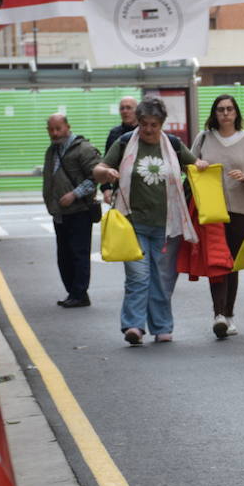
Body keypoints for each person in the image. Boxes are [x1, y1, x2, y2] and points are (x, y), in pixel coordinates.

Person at [93, 97, 198, 346]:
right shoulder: (125, 143)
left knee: (162, 278)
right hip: (132, 223)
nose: (148, 129)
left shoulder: (172, 144)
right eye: (144, 124)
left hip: (166, 224)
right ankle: (134, 325)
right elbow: (98, 169)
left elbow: (194, 165)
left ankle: (162, 326)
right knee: (138, 277)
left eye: (154, 124)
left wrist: (201, 164)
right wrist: (106, 173)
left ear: (162, 123)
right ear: (138, 122)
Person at [192, 94, 244, 340]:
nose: (225, 113)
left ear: (236, 113)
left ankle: (229, 314)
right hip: (212, 210)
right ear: (214, 113)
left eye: (229, 109)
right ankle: (218, 315)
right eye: (220, 109)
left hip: (242, 210)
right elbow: (189, 166)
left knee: (232, 263)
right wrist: (198, 165)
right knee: (217, 263)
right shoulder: (203, 138)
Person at [42, 114, 101, 308]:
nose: (55, 133)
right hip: (59, 213)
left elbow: (95, 178)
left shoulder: (83, 149)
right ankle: (73, 293)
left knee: (78, 254)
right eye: (51, 129)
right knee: (64, 255)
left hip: (79, 211)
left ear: (68, 127)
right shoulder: (52, 151)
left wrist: (74, 194)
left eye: (58, 128)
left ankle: (80, 294)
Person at [101, 95, 139, 204]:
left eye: (128, 108)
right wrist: (106, 188)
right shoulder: (114, 134)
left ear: (137, 110)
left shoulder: (145, 132)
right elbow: (106, 162)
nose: (125, 111)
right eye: (122, 108)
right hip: (120, 187)